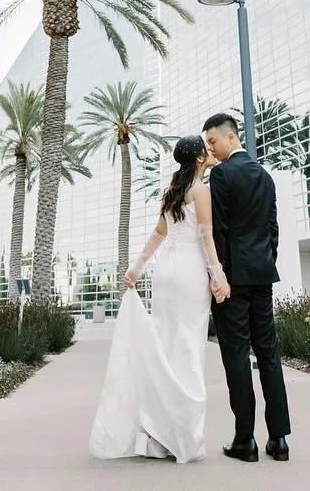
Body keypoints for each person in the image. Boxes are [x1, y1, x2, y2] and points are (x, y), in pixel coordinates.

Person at [88, 135, 230, 463]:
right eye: (206, 150)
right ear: (197, 159)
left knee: (167, 347)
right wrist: (218, 275)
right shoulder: (200, 190)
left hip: (165, 274)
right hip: (190, 273)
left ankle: (158, 433)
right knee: (188, 350)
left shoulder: (172, 194)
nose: (210, 153)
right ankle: (180, 437)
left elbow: (157, 236)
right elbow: (206, 237)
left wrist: (135, 270)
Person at [203, 111, 292, 462]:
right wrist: (265, 260)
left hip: (233, 281)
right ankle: (279, 440)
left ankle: (245, 440)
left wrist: (218, 275)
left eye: (212, 141)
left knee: (237, 356)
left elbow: (220, 231)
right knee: (268, 354)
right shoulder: (264, 176)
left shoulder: (222, 174)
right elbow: (273, 229)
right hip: (262, 276)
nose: (209, 148)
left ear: (230, 137)